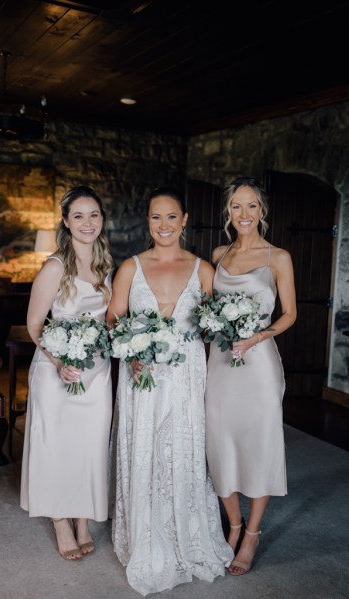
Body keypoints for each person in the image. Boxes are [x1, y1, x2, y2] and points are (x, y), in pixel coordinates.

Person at [107, 186, 233, 596]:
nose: (163, 225)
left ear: (184, 220)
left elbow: (215, 328)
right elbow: (114, 321)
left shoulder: (203, 270)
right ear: (148, 222)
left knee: (183, 450)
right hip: (142, 376)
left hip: (186, 376)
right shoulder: (130, 267)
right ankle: (145, 536)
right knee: (145, 448)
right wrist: (131, 353)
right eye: (155, 217)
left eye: (170, 217)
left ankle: (188, 534)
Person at [205, 176, 297, 576]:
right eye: (236, 207)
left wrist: (257, 336)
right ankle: (234, 524)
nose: (244, 214)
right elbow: (206, 308)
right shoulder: (218, 253)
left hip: (258, 366)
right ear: (229, 212)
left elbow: (290, 314)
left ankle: (253, 534)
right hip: (221, 363)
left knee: (258, 445)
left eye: (251, 206)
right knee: (219, 441)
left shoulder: (278, 256)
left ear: (262, 211)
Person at [20, 185, 114, 560]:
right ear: (66, 221)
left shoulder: (108, 265)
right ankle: (61, 519)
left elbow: (110, 320)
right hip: (57, 369)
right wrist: (60, 362)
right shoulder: (55, 267)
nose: (87, 223)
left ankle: (83, 518)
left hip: (97, 372)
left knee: (90, 447)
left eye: (93, 215)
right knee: (56, 446)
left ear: (101, 219)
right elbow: (34, 325)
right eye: (78, 216)